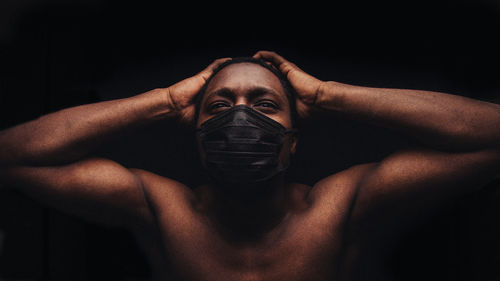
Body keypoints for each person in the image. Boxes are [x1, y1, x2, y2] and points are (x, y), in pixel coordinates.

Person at [0, 50, 499, 281]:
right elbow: (12, 153)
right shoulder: (161, 207)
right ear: (197, 139)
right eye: (219, 107)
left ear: (293, 143)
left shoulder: (340, 205)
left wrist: (329, 95)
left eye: (263, 105)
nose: (240, 117)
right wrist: (164, 99)